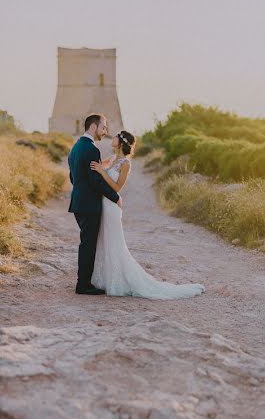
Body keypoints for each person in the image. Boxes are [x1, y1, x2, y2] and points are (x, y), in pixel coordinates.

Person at [89, 130, 205, 299]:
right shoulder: (113, 159)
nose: (111, 138)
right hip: (103, 204)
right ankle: (104, 278)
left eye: (115, 136)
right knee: (103, 240)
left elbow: (116, 187)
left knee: (114, 242)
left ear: (121, 142)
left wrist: (102, 172)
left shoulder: (126, 163)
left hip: (112, 206)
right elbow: (97, 165)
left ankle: (118, 281)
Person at [67, 113, 122, 295]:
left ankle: (84, 282)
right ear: (93, 127)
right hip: (89, 205)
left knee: (87, 243)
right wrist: (115, 197)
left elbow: (73, 177)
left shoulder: (75, 147)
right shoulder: (91, 149)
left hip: (79, 202)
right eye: (103, 127)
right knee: (88, 244)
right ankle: (83, 285)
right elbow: (95, 181)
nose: (105, 131)